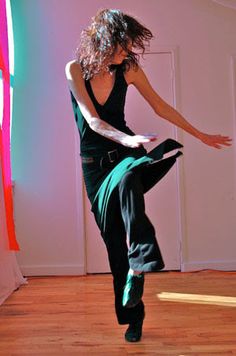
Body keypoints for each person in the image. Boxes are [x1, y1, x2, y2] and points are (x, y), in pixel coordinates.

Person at [65, 8, 232, 342]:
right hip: (95, 167)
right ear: (104, 41)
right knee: (114, 245)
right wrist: (127, 137)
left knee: (128, 176)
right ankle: (133, 316)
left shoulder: (128, 69)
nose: (127, 52)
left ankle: (141, 258)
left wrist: (199, 134)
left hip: (126, 156)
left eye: (129, 47)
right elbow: (93, 121)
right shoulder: (75, 70)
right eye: (122, 46)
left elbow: (160, 106)